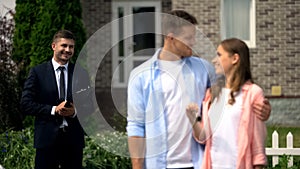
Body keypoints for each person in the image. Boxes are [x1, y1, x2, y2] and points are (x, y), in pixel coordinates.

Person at [127, 10, 271, 169]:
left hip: (198, 163)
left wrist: (262, 108)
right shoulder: (140, 76)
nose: (194, 42)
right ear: (170, 37)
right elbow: (136, 125)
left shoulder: (204, 69)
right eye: (188, 38)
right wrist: (137, 165)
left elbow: (235, 92)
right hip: (160, 165)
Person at [186, 38, 268, 169]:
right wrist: (193, 120)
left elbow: (258, 144)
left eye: (219, 55)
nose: (214, 60)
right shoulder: (211, 94)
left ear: (235, 58)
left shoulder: (253, 93)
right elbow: (203, 137)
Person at [20, 30, 89, 169]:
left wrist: (75, 111)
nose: (68, 50)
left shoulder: (80, 73)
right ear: (54, 46)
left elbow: (90, 105)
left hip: (73, 142)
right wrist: (53, 110)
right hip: (46, 141)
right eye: (64, 45)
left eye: (71, 47)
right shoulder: (37, 72)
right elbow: (25, 104)